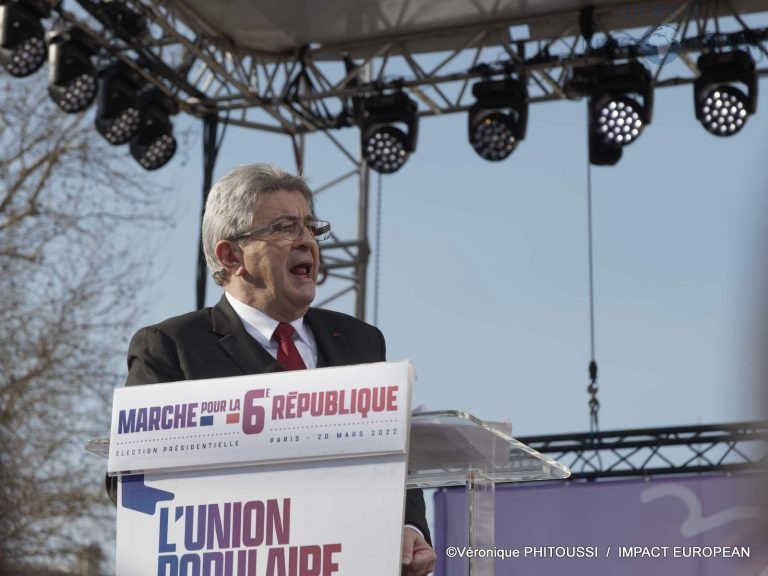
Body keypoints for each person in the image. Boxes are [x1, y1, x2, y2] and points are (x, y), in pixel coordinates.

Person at [124, 163, 436, 576]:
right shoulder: (173, 348)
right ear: (230, 255)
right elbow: (135, 483)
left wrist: (408, 525)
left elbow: (394, 457)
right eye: (285, 227)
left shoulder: (361, 341)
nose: (306, 240)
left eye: (310, 226)